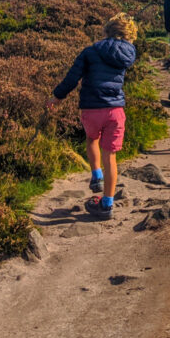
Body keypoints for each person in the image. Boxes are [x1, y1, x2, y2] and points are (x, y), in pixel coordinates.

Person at [46, 12, 137, 220]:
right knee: (111, 158)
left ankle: (96, 175)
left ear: (106, 31)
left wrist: (56, 98)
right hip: (115, 110)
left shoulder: (90, 51)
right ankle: (107, 204)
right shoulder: (128, 53)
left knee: (91, 139)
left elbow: (72, 78)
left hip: (91, 108)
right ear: (128, 34)